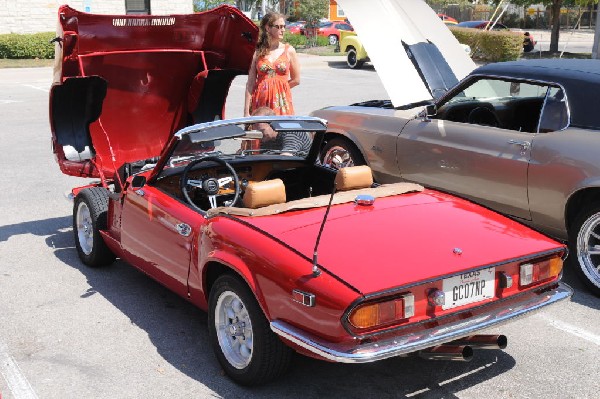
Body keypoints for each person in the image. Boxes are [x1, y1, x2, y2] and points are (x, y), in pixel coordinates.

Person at [244, 12, 300, 117]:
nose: (282, 30)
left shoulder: (289, 51)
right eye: (278, 27)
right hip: (260, 102)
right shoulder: (258, 52)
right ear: (268, 28)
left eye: (284, 26)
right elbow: (250, 83)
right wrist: (246, 112)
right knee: (261, 131)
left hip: (281, 103)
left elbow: (296, 80)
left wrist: (278, 88)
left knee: (282, 131)